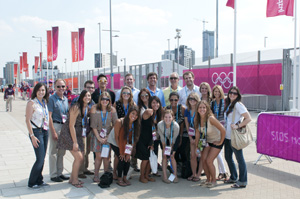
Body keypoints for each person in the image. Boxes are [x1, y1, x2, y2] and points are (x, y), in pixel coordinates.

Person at [57, 90, 92, 188]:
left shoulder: (86, 107)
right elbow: (71, 125)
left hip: (78, 134)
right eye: (85, 96)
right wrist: (75, 142)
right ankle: (75, 180)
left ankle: (72, 178)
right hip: (69, 134)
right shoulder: (76, 107)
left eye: (89, 96)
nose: (87, 97)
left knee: (80, 158)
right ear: (81, 97)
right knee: (79, 157)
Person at [224, 86, 252, 188]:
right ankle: (233, 176)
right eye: (231, 92)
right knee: (227, 157)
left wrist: (238, 125)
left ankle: (242, 181)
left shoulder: (238, 105)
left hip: (234, 136)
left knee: (239, 159)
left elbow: (248, 118)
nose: (232, 94)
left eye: (235, 93)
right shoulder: (229, 104)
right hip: (227, 136)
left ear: (238, 95)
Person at [194, 100, 226, 188]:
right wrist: (197, 146)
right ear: (197, 109)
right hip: (207, 142)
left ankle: (214, 181)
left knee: (209, 161)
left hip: (216, 141)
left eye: (204, 107)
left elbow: (223, 129)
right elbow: (197, 134)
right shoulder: (197, 119)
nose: (202, 109)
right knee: (203, 160)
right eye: (200, 107)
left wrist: (220, 141)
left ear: (207, 109)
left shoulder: (211, 118)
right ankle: (208, 180)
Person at [25, 83, 49, 189]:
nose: (41, 92)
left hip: (45, 131)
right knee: (39, 159)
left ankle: (39, 180)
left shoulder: (44, 102)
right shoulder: (31, 103)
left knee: (43, 158)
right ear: (35, 91)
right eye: (39, 90)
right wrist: (32, 135)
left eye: (43, 90)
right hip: (36, 132)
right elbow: (27, 120)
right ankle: (32, 182)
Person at [90, 92, 117, 182]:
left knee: (106, 157)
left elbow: (115, 125)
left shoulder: (112, 110)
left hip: (108, 137)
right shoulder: (94, 108)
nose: (105, 101)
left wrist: (108, 137)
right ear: (100, 100)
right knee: (98, 157)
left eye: (107, 99)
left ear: (109, 100)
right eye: (103, 99)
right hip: (97, 136)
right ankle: (96, 175)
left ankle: (106, 175)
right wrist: (99, 138)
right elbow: (93, 125)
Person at [71, 80, 96, 178]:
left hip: (87, 129)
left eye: (92, 88)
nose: (90, 90)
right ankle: (79, 171)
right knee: (81, 151)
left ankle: (85, 168)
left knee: (87, 151)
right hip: (78, 130)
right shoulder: (76, 102)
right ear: (84, 88)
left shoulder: (92, 101)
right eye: (88, 87)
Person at [136, 96, 163, 183]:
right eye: (154, 102)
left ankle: (147, 175)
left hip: (152, 139)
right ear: (150, 103)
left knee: (150, 158)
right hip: (143, 138)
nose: (156, 104)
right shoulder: (148, 111)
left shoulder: (158, 113)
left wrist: (152, 142)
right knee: (145, 159)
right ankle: (142, 176)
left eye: (157, 102)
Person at [48, 79, 70, 182]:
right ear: (55, 87)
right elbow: (49, 117)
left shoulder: (65, 99)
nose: (61, 88)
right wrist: (53, 131)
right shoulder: (52, 99)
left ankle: (60, 173)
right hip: (55, 125)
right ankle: (53, 174)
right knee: (53, 151)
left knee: (62, 151)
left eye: (62, 86)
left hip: (64, 126)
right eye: (58, 86)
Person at [113, 105, 140, 186]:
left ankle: (125, 177)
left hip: (127, 143)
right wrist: (122, 152)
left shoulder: (135, 124)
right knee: (121, 158)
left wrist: (129, 153)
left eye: (136, 115)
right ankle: (119, 178)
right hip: (115, 142)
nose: (134, 116)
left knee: (127, 159)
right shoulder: (120, 122)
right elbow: (117, 138)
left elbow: (133, 140)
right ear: (129, 113)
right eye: (132, 113)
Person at [114, 86, 139, 172]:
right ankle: (115, 172)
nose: (126, 94)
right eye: (124, 93)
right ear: (121, 94)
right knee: (118, 153)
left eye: (128, 93)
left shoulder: (133, 104)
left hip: (130, 130)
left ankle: (126, 172)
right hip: (120, 128)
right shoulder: (116, 104)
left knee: (128, 152)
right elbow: (114, 118)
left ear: (130, 94)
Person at [210, 85, 229, 181]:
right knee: (218, 152)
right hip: (215, 128)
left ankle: (223, 172)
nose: (216, 93)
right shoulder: (212, 103)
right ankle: (222, 172)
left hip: (224, 128)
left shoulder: (225, 101)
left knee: (218, 152)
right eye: (215, 91)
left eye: (218, 91)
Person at [165, 92, 189, 168]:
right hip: (170, 134)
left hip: (181, 133)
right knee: (172, 152)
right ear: (169, 100)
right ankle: (174, 169)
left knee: (182, 151)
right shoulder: (167, 109)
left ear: (178, 100)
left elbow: (182, 123)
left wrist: (181, 137)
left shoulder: (182, 108)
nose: (173, 102)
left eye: (175, 100)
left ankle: (183, 168)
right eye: (171, 100)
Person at [157, 109, 180, 183]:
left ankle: (175, 175)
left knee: (172, 156)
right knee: (164, 156)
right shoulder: (160, 125)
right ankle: (164, 176)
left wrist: (171, 150)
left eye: (169, 117)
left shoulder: (176, 126)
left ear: (173, 117)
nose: (167, 119)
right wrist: (164, 149)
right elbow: (162, 138)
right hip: (164, 139)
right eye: (166, 117)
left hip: (173, 139)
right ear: (163, 117)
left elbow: (173, 140)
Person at [184, 92, 201, 182]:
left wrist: (196, 139)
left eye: (194, 99)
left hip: (200, 136)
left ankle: (198, 174)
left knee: (201, 156)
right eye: (190, 99)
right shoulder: (187, 110)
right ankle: (193, 173)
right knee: (193, 156)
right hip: (191, 136)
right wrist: (191, 138)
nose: (192, 100)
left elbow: (199, 126)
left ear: (197, 100)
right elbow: (187, 125)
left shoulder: (200, 110)